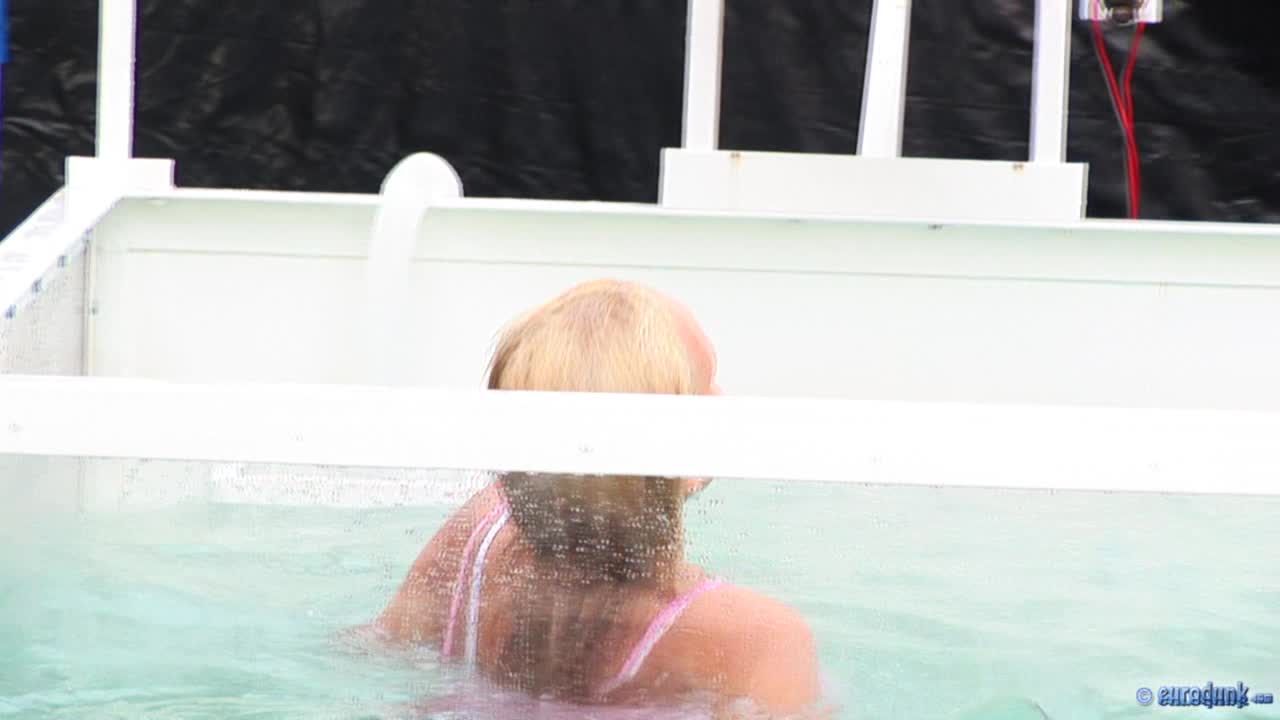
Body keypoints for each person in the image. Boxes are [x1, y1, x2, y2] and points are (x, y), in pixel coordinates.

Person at [375, 279, 823, 717]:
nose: (724, 400)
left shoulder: (477, 535)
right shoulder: (752, 637)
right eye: (708, 385)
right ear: (688, 462)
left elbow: (379, 653)